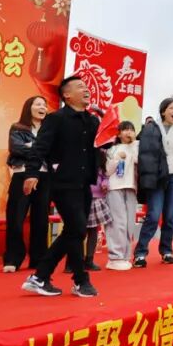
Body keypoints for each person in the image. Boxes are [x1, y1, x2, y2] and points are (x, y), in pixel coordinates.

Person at [21, 76, 101, 299]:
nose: (86, 89)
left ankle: (41, 277)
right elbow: (40, 148)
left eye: (86, 87)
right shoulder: (56, 119)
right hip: (63, 182)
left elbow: (101, 147)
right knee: (76, 228)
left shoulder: (93, 121)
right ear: (66, 95)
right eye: (80, 87)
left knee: (75, 231)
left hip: (85, 183)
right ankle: (79, 280)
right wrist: (31, 174)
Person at [134, 98, 173, 267]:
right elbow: (144, 150)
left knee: (170, 216)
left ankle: (167, 251)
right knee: (153, 215)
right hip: (157, 176)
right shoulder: (152, 127)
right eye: (171, 108)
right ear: (163, 111)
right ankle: (140, 253)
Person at [3, 96, 50, 273]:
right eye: (38, 104)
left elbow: (53, 152)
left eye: (44, 105)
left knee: (41, 220)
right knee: (16, 218)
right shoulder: (18, 128)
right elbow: (17, 148)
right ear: (28, 107)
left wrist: (32, 146)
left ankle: (38, 259)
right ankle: (13, 259)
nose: (42, 107)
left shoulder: (48, 130)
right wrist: (39, 149)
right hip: (21, 174)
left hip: (44, 176)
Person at [104, 121, 140, 270]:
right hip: (114, 188)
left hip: (131, 188)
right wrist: (117, 158)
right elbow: (107, 171)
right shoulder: (111, 149)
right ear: (118, 134)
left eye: (131, 130)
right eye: (125, 130)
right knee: (117, 222)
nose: (129, 133)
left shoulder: (138, 147)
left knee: (129, 223)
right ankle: (115, 256)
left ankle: (125, 255)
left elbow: (141, 161)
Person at [83, 155, 111, 272]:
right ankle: (73, 261)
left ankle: (89, 259)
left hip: (96, 198)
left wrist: (105, 183)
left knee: (93, 230)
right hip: (81, 197)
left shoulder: (101, 156)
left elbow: (105, 175)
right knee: (78, 231)